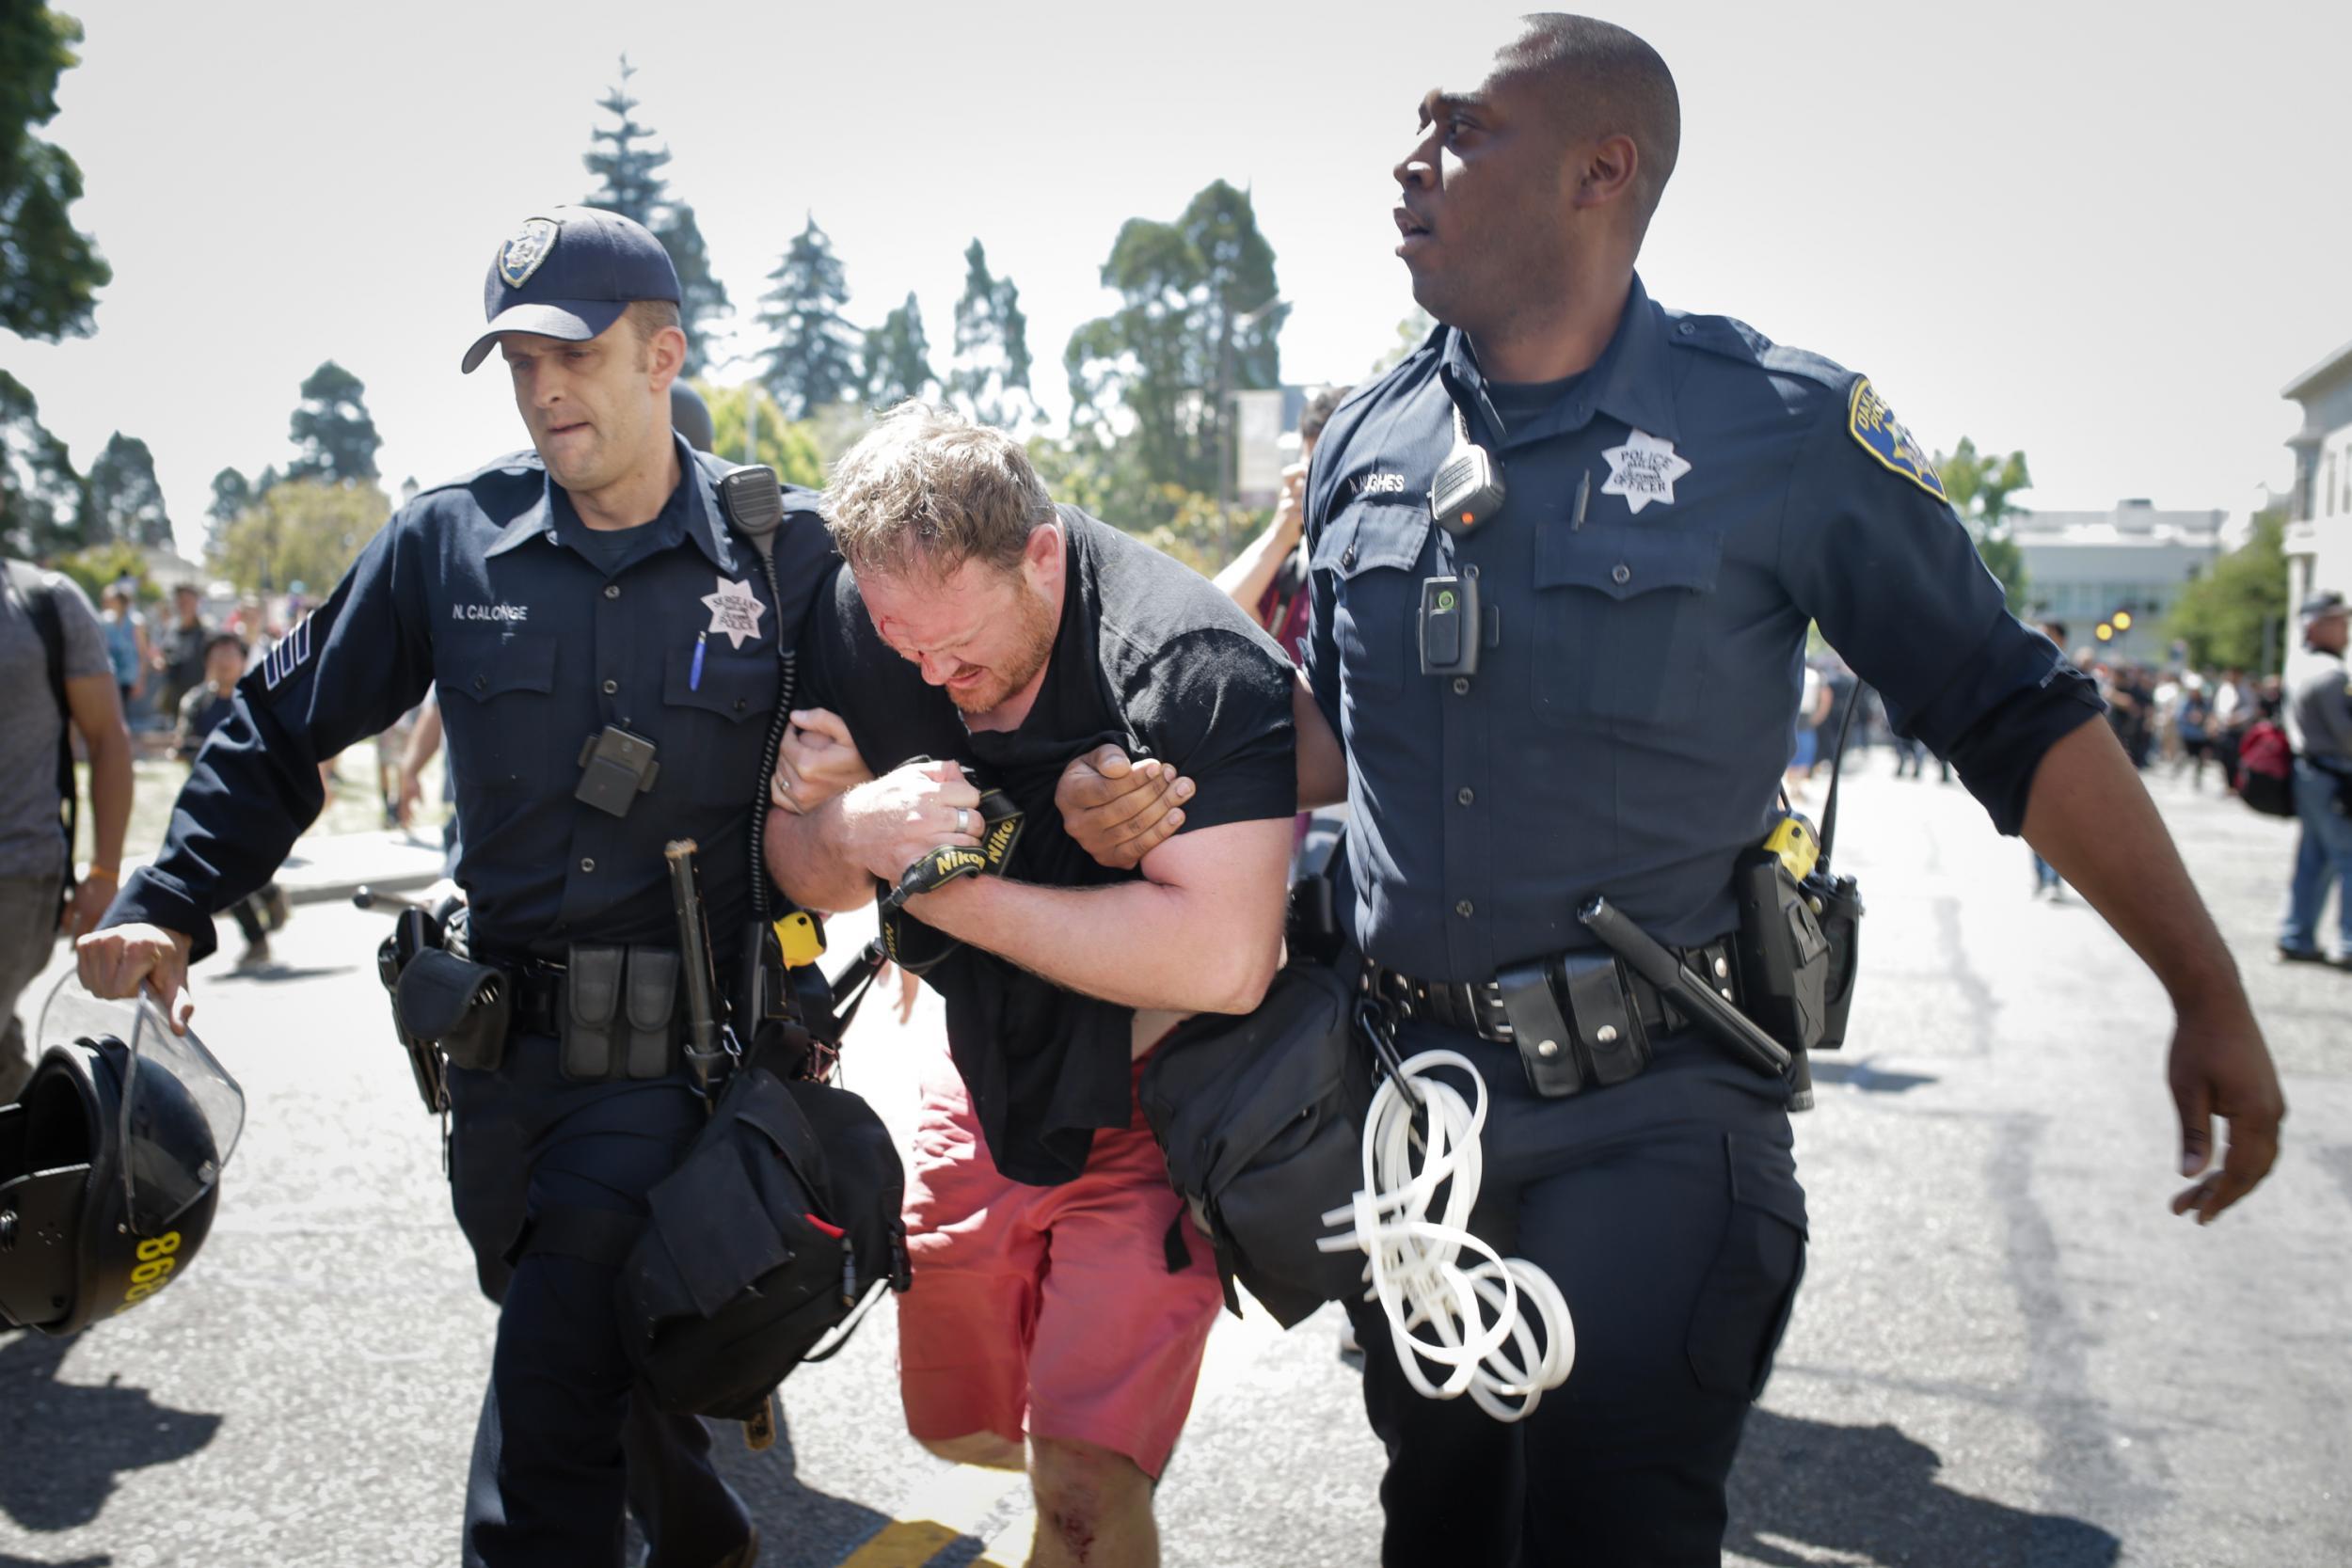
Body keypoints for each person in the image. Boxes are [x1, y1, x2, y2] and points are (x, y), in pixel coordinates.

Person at [1057, 18, 2284, 1563]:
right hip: (1412, 1124)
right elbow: (1338, 728)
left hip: (1655, 1120)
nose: (1407, 161)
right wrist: (1170, 787)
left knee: (1610, 1528)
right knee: (1441, 1528)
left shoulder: (1776, 425)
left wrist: (2206, 983)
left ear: (1601, 169)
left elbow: (2014, 711)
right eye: (1414, 126)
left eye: (1460, 129)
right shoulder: (1370, 431)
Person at [75, 204, 831, 1568]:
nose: (543, 389)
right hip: (492, 1069)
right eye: (517, 362)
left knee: (543, 1431)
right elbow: (275, 719)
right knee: (597, 1355)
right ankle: (710, 1548)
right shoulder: (448, 543)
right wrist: (172, 896)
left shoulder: (785, 557)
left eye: (574, 355)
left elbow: (953, 710)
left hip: (678, 1071)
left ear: (664, 355)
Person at [763, 405, 1296, 1568]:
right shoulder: (870, 619)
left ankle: (1097, 1450)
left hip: (1155, 1103)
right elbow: (795, 867)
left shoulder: (1182, 661)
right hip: (982, 1074)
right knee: (949, 1423)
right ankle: (1071, 1431)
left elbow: (1223, 958)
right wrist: (851, 818)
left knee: (1080, 1491)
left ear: (1041, 555)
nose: (934, 677)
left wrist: (933, 881)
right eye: (908, 650)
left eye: (960, 647)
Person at [0, 560, 132, 1103]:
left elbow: (107, 739)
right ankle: (49, 1173)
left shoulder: (43, 600)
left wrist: (103, 872)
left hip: (17, 874)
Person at [174, 631, 286, 967]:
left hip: (251, 797)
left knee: (244, 865)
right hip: (211, 801)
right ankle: (257, 938)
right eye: (216, 655)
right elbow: (184, 742)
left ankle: (268, 892)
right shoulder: (195, 703)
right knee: (224, 872)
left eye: (230, 653)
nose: (223, 661)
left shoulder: (255, 698)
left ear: (242, 658)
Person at [2277, 591, 2352, 967]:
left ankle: (2296, 934)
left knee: (2313, 859)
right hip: (2334, 773)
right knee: (2347, 858)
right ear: (2315, 625)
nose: (2345, 629)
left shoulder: (2300, 664)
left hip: (2309, 771)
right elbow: (2348, 735)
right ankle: (2349, 942)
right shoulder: (2331, 673)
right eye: (2338, 621)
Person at [159, 582, 213, 718]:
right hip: (175, 696)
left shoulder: (207, 630)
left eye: (187, 601)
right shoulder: (171, 629)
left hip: (200, 697)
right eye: (180, 601)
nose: (184, 605)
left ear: (196, 602)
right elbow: (165, 653)